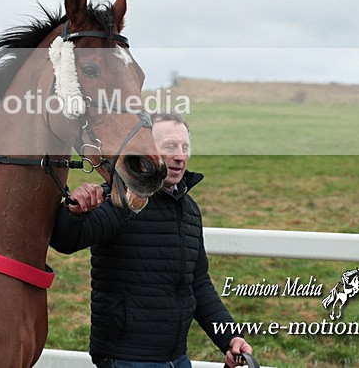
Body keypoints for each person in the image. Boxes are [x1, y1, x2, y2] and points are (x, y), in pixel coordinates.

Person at [50, 113, 253, 368]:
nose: (180, 156)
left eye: (185, 147)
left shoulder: (189, 209)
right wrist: (74, 212)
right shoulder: (121, 198)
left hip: (177, 358)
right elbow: (65, 241)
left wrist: (230, 338)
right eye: (169, 147)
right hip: (126, 359)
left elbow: (198, 284)